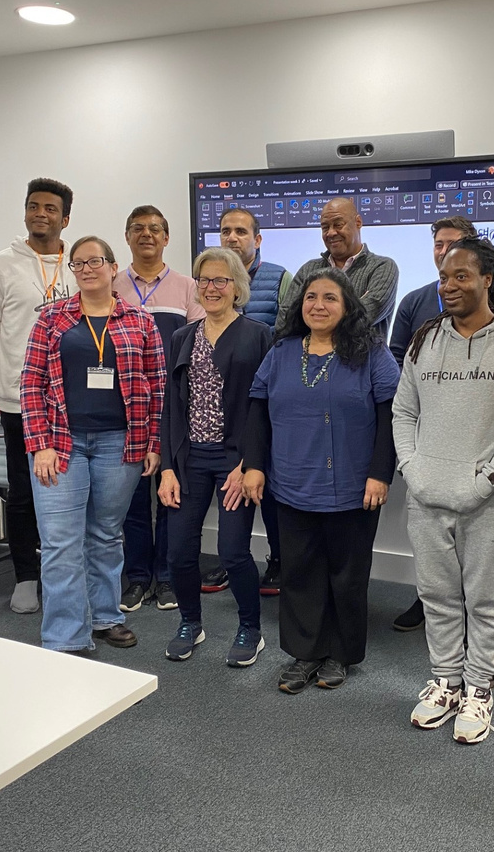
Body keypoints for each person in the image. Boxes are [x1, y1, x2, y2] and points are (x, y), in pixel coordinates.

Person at [395, 238, 494, 744]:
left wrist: (483, 482)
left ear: (489, 279)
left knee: (483, 602)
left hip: (492, 504)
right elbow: (404, 411)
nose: (449, 285)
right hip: (426, 497)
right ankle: (445, 681)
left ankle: (479, 689)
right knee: (437, 597)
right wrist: (412, 470)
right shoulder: (424, 341)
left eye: (461, 275)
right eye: (443, 276)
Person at [244, 269, 400, 694]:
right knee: (300, 573)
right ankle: (305, 653)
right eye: (311, 297)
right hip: (292, 485)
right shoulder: (281, 352)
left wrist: (379, 473)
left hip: (354, 488)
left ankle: (341, 653)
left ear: (347, 305)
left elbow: (391, 417)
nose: (318, 304)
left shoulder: (371, 354)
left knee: (347, 577)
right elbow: (257, 411)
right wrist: (253, 465)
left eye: (330, 297)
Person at [22, 236, 166, 653]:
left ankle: (105, 616)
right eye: (78, 263)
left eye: (95, 261)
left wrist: (154, 442)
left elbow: (157, 388)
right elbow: (31, 382)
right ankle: (65, 637)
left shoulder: (140, 321)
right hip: (60, 443)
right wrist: (40, 443)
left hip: (120, 444)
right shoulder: (51, 318)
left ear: (113, 266)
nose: (86, 269)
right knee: (60, 541)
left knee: (104, 534)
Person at [159, 247, 273, 667]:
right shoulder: (182, 338)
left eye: (221, 280)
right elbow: (172, 404)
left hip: (234, 461)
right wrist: (167, 467)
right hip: (188, 459)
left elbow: (265, 407)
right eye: (204, 280)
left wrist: (249, 463)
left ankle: (250, 628)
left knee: (232, 551)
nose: (211, 287)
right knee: (178, 553)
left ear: (237, 287)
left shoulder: (258, 335)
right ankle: (191, 622)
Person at [0, 177, 77, 614]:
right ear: (25, 213)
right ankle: (25, 577)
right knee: (23, 490)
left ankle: (67, 575)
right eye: (34, 206)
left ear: (65, 218)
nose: (41, 214)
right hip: (20, 399)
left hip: (71, 399)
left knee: (70, 490)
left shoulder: (80, 266)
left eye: (50, 208)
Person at [113, 206, 204, 612]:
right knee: (132, 497)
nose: (146, 235)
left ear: (167, 238)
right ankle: (137, 577)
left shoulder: (188, 287)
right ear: (127, 238)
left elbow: (202, 343)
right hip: (125, 408)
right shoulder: (110, 285)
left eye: (155, 229)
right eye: (138, 229)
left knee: (171, 494)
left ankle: (167, 577)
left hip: (174, 407)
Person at [389, 216, 477, 632]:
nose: (445, 250)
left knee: (469, 525)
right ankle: (428, 601)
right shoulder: (414, 301)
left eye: (455, 243)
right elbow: (395, 360)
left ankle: (467, 605)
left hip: (474, 433)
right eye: (439, 244)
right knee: (428, 527)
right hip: (425, 431)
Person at [217, 206, 292, 595]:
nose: (232, 238)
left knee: (270, 485)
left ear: (257, 239)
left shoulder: (280, 278)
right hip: (223, 399)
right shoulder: (211, 281)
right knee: (230, 481)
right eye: (226, 231)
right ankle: (234, 559)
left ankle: (278, 560)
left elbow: (289, 336)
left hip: (267, 399)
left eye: (241, 231)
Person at [274, 197, 399, 335]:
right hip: (305, 356)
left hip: (361, 356)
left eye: (338, 225)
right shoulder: (308, 270)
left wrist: (314, 320)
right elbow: (284, 322)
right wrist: (351, 307)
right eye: (325, 227)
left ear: (358, 222)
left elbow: (365, 317)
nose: (331, 233)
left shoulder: (382, 268)